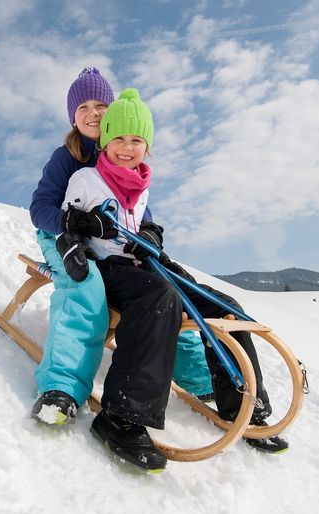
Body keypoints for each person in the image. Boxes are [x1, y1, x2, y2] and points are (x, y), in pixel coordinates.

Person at [60, 88, 288, 471]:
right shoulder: (86, 179)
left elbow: (144, 222)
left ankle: (243, 405)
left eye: (136, 140)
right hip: (109, 270)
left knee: (224, 306)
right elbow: (66, 226)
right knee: (159, 298)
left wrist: (151, 235)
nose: (127, 147)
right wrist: (84, 226)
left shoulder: (141, 185)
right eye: (118, 138)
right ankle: (121, 418)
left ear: (146, 146)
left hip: (145, 265)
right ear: (105, 143)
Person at [27, 68, 212, 426]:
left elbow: (140, 209)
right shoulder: (66, 157)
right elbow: (40, 209)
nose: (94, 113)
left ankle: (200, 379)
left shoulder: (122, 150)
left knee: (168, 289)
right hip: (62, 238)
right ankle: (61, 387)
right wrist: (71, 224)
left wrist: (151, 234)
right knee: (86, 286)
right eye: (83, 107)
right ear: (72, 116)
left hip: (116, 244)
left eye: (101, 105)